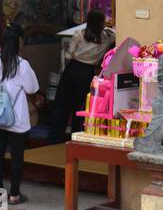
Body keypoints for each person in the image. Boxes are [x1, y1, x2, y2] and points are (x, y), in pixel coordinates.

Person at [0, 24, 40, 206]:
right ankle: (15, 194)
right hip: (17, 116)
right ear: (19, 41)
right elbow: (33, 88)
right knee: (17, 156)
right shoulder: (22, 64)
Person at [48, 9, 115, 144]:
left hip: (72, 69)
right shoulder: (107, 38)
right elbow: (115, 34)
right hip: (87, 73)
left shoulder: (79, 34)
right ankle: (77, 138)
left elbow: (68, 54)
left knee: (62, 105)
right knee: (81, 107)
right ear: (102, 23)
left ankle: (54, 139)